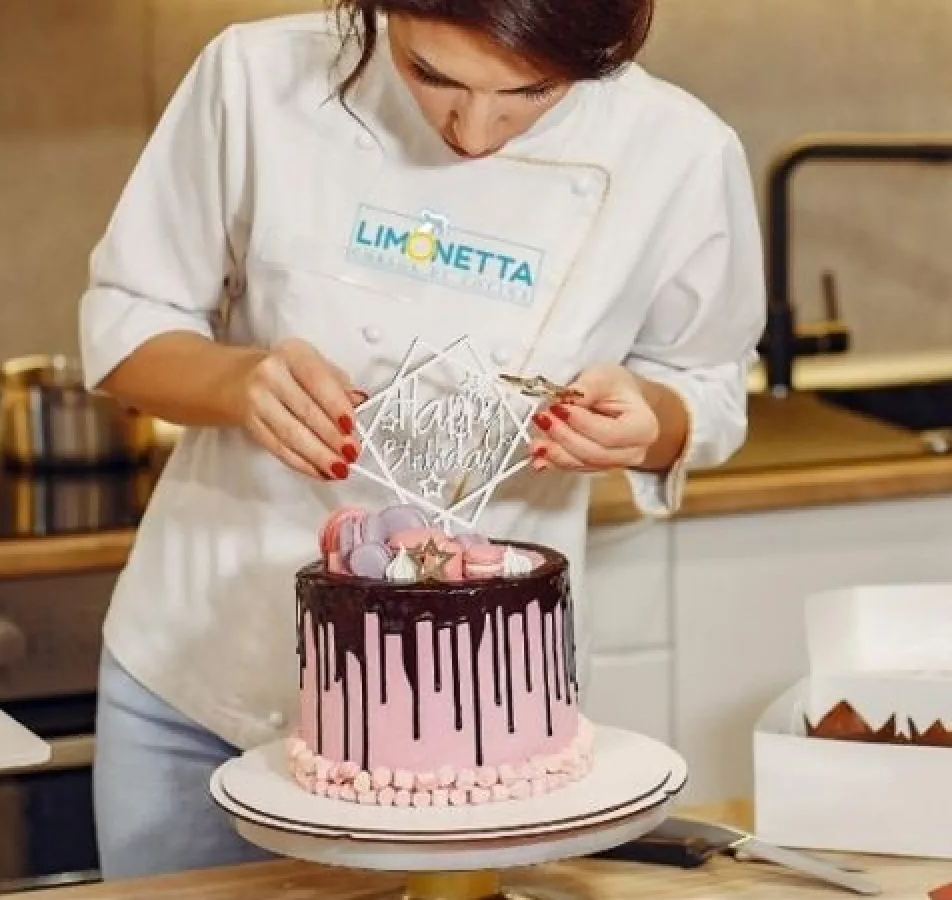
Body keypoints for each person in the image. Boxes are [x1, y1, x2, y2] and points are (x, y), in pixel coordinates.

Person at [80, 0, 767, 880]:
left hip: (469, 731)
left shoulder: (678, 151)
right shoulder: (254, 77)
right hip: (203, 677)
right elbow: (126, 324)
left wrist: (650, 420)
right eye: (430, 74)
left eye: (532, 91)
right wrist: (237, 382)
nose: (473, 132)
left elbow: (710, 386)